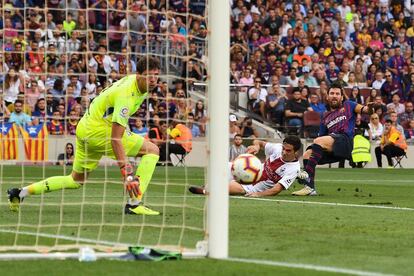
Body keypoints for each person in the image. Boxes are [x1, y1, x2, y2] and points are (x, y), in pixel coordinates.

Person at [8, 57, 162, 216]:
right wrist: (127, 171)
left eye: (156, 75)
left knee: (75, 180)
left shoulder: (138, 86)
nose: (153, 79)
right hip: (99, 131)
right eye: (148, 75)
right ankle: (134, 204)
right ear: (138, 75)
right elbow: (116, 138)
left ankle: (19, 193)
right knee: (152, 150)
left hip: (85, 129)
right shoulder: (127, 95)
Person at [292, 82, 375, 196]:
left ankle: (305, 175)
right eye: (332, 93)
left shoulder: (349, 105)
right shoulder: (325, 116)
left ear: (341, 97)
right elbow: (321, 138)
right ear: (327, 96)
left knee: (317, 142)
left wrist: (370, 108)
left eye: (337, 93)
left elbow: (366, 110)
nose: (334, 95)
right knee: (307, 154)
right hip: (334, 149)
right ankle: (309, 187)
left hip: (345, 141)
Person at [189, 136, 302, 197]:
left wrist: (259, 194)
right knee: (220, 164)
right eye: (283, 148)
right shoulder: (277, 148)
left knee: (227, 187)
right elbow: (257, 141)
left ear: (296, 152)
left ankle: (206, 191)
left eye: (288, 150)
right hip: (250, 170)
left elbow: (277, 189)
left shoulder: (294, 169)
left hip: (253, 186)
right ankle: (210, 186)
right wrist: (257, 146)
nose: (284, 152)